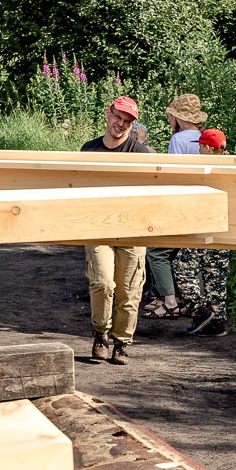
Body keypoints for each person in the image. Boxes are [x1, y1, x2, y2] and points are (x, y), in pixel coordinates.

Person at [79, 96, 153, 363]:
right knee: (102, 282)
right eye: (117, 117)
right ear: (108, 114)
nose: (120, 124)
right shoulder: (89, 149)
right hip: (98, 228)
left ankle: (122, 343)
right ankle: (101, 333)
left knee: (129, 290)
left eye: (127, 121)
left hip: (132, 229)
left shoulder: (140, 153)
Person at [143, 94, 210, 320]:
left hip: (181, 202)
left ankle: (170, 300)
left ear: (179, 118)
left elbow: (173, 174)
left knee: (156, 251)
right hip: (202, 203)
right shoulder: (204, 138)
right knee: (188, 251)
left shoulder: (178, 140)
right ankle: (185, 298)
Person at [173, 125, 232, 335]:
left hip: (203, 227)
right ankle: (217, 324)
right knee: (216, 278)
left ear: (207, 148)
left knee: (182, 267)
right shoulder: (232, 166)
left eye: (200, 147)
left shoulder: (202, 168)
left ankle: (201, 312)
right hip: (226, 229)